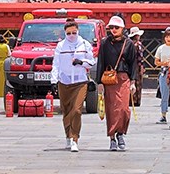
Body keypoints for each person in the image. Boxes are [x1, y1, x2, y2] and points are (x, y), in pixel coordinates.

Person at [96, 15, 142, 152]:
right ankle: (112, 137)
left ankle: (121, 133)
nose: (114, 30)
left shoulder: (128, 44)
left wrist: (133, 81)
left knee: (123, 109)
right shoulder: (105, 43)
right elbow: (101, 62)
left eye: (117, 27)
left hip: (123, 78)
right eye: (112, 27)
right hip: (109, 79)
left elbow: (133, 63)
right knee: (111, 110)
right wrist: (99, 82)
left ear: (122, 28)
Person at [52, 19, 93, 152]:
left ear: (78, 31)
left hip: (80, 81)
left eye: (74, 32)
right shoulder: (61, 46)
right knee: (66, 111)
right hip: (64, 81)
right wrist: (53, 81)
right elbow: (56, 64)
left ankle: (75, 138)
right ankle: (68, 136)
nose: (71, 35)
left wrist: (81, 62)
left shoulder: (85, 44)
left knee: (77, 110)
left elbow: (91, 62)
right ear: (65, 33)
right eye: (68, 33)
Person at [153, 30, 170, 125]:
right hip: (164, 71)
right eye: (167, 36)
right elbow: (156, 62)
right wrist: (164, 63)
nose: (168, 38)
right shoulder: (161, 48)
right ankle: (163, 115)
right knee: (164, 94)